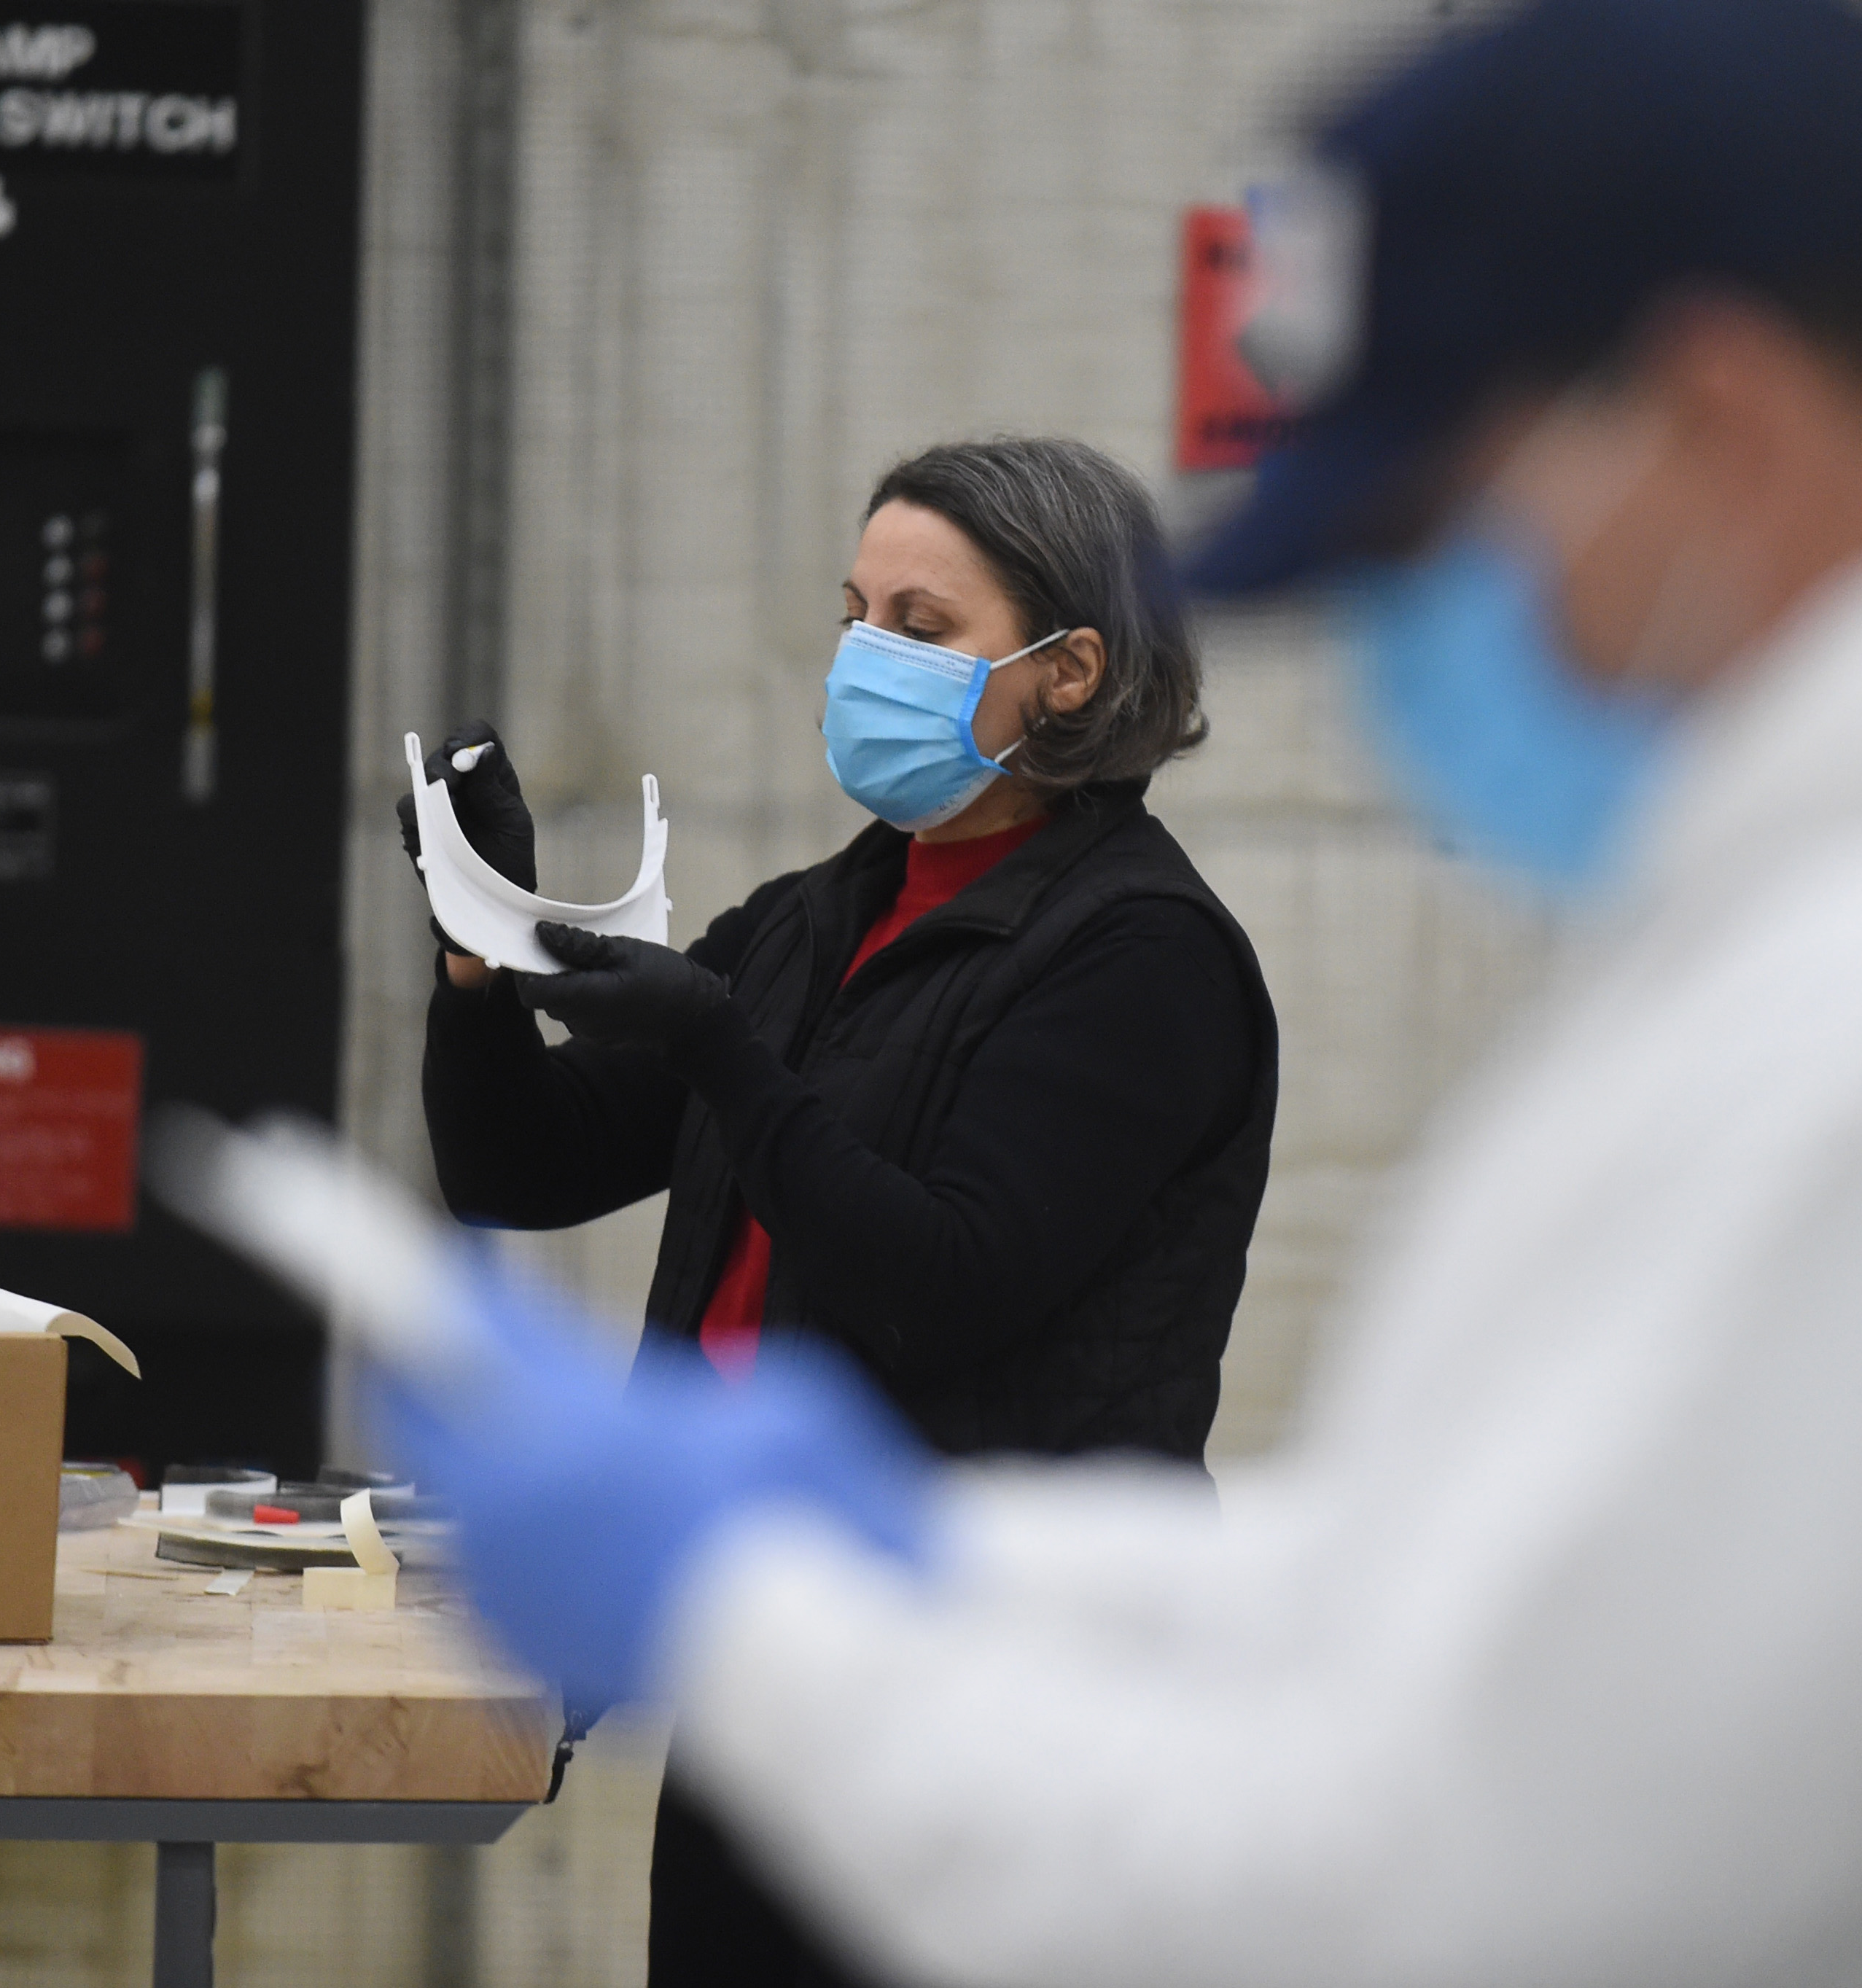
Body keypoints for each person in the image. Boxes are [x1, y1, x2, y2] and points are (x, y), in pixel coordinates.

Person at [357, 1, 1862, 1981]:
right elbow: (1517, 1602)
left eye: (1431, 533)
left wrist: (764, 1621)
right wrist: (934, 1575)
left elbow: (1449, 1861)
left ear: (1711, 424)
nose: (1416, 649)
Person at [397, 434, 1278, 1985]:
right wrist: (480, 949)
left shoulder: (1141, 953)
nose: (865, 655)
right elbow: (515, 1167)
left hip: (998, 1695)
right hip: (769, 1654)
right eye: (853, 611)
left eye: (920, 626)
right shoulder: (819, 919)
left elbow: (944, 1276)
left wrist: (719, 1050)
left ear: (1066, 671)